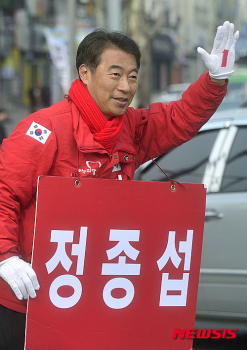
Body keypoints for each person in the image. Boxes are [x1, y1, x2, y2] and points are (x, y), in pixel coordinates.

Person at [0, 21, 239, 349]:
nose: (126, 86)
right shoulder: (44, 130)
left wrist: (214, 81)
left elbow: (178, 119)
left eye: (133, 76)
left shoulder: (132, 128)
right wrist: (4, 256)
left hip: (91, 298)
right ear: (85, 73)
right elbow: (4, 193)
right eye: (115, 74)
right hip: (27, 299)